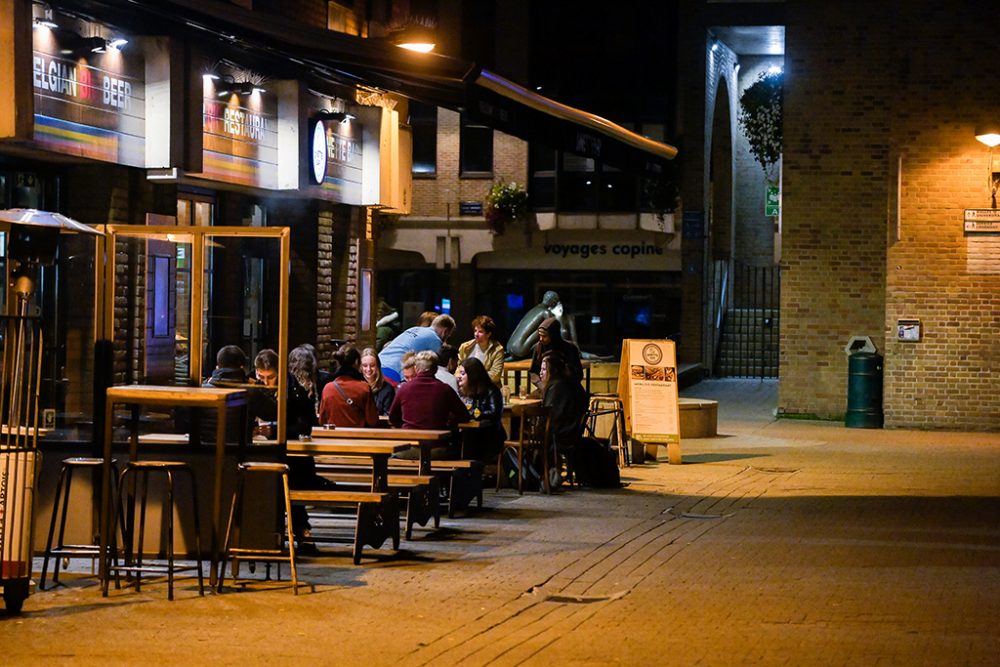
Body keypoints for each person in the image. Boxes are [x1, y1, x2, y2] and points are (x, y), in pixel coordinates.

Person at [388, 350, 470, 458]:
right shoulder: (445, 389)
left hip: (408, 448)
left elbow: (392, 418)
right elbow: (464, 415)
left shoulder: (404, 389)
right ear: (435, 369)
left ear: (416, 369)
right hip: (436, 449)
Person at [539, 351, 588, 482]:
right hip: (571, 430)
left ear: (552, 370)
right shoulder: (567, 382)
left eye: (544, 369)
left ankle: (539, 475)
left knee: (527, 438)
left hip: (563, 433)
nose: (540, 373)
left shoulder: (558, 387)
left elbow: (552, 415)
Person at [456, 357, 506, 462]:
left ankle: (469, 471)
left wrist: (476, 414)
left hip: (490, 437)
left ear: (473, 375)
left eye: (463, 374)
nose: (459, 377)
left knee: (467, 440)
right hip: (475, 433)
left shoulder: (491, 390)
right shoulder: (467, 392)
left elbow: (494, 413)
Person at [379, 313, 455, 382]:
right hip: (393, 372)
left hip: (378, 363)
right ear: (445, 331)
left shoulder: (414, 329)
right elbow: (438, 369)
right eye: (449, 335)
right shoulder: (435, 339)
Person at [319, 343, 379, 427]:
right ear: (356, 362)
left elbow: (322, 420)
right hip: (358, 437)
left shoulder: (328, 388)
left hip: (333, 438)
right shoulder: (363, 388)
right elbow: (372, 421)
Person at [506, 290, 577, 359]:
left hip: (509, 347)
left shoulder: (534, 309)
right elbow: (555, 332)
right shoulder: (546, 313)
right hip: (520, 350)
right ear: (553, 303)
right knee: (545, 330)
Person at [529, 317, 583, 388]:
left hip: (567, 388)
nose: (541, 339)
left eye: (544, 336)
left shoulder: (569, 348)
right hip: (545, 387)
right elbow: (533, 371)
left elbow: (578, 373)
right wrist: (541, 384)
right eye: (540, 336)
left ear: (553, 334)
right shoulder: (538, 347)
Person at [457, 315, 506, 385]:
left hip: (487, 388)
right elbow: (458, 368)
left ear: (488, 334)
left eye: (480, 332)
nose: (476, 334)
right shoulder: (465, 347)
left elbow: (495, 376)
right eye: (475, 331)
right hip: (467, 387)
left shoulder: (497, 349)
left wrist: (471, 377)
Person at [361, 346, 395, 416]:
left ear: (378, 366)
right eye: (365, 365)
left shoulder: (388, 389)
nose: (368, 369)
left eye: (372, 365)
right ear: (360, 367)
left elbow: (388, 416)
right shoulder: (355, 387)